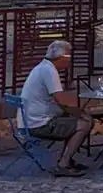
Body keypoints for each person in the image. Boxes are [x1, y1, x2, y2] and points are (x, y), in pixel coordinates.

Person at [18, 40, 93, 177]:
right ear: (62, 57)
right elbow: (62, 100)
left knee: (71, 119)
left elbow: (60, 102)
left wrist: (74, 111)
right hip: (39, 124)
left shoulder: (43, 67)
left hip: (29, 121)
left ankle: (67, 159)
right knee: (85, 123)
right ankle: (63, 164)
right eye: (69, 57)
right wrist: (81, 112)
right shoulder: (49, 71)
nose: (70, 60)